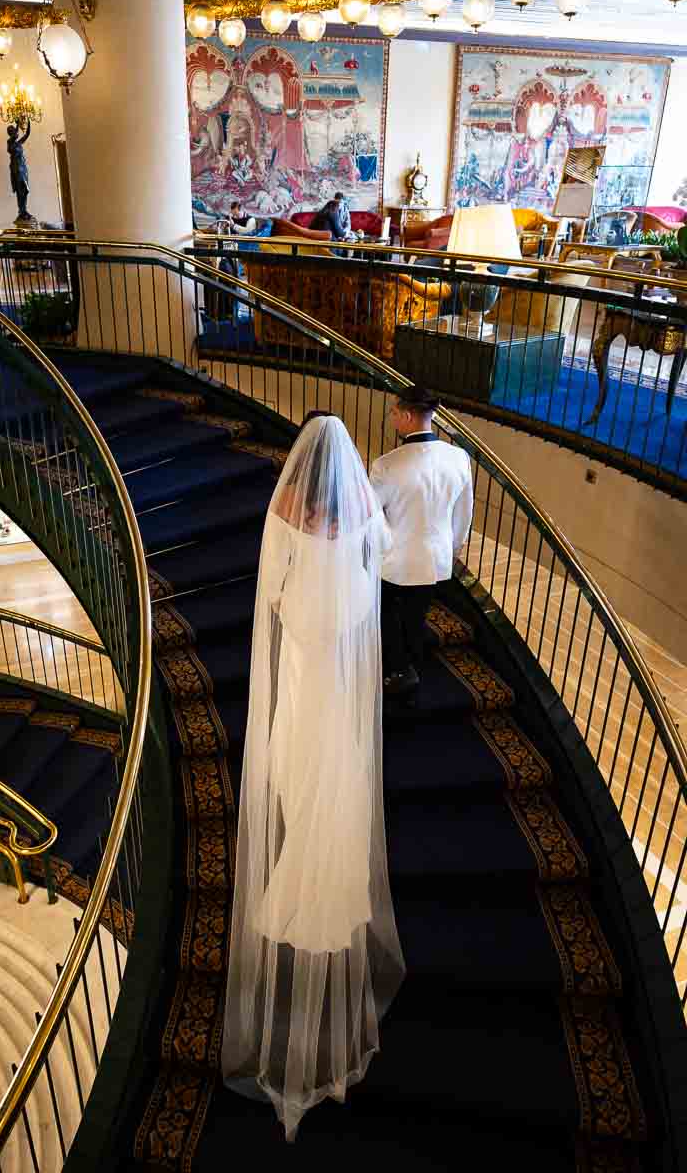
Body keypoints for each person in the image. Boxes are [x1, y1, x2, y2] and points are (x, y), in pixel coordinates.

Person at [222, 412, 405, 1141]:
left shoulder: (288, 516)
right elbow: (379, 566)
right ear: (349, 469)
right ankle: (328, 894)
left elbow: (271, 595)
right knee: (341, 794)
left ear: (303, 469)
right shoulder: (363, 516)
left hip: (299, 691)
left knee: (298, 787)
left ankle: (298, 888)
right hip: (339, 695)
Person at [370, 386, 474, 703]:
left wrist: (381, 551)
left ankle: (398, 669)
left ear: (407, 415)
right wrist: (452, 547)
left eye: (393, 413)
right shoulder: (458, 457)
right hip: (437, 557)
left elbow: (372, 518)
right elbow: (464, 512)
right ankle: (411, 666)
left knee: (387, 612)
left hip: (396, 559)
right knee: (417, 613)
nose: (392, 418)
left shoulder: (386, 465)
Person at [7, 121, 32, 221]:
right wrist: (17, 124)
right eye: (12, 131)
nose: (15, 132)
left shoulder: (18, 143)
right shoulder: (10, 143)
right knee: (20, 191)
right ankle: (21, 211)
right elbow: (14, 136)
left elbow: (27, 134)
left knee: (25, 190)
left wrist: (29, 122)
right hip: (16, 169)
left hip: (23, 168)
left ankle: (24, 210)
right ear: (10, 133)